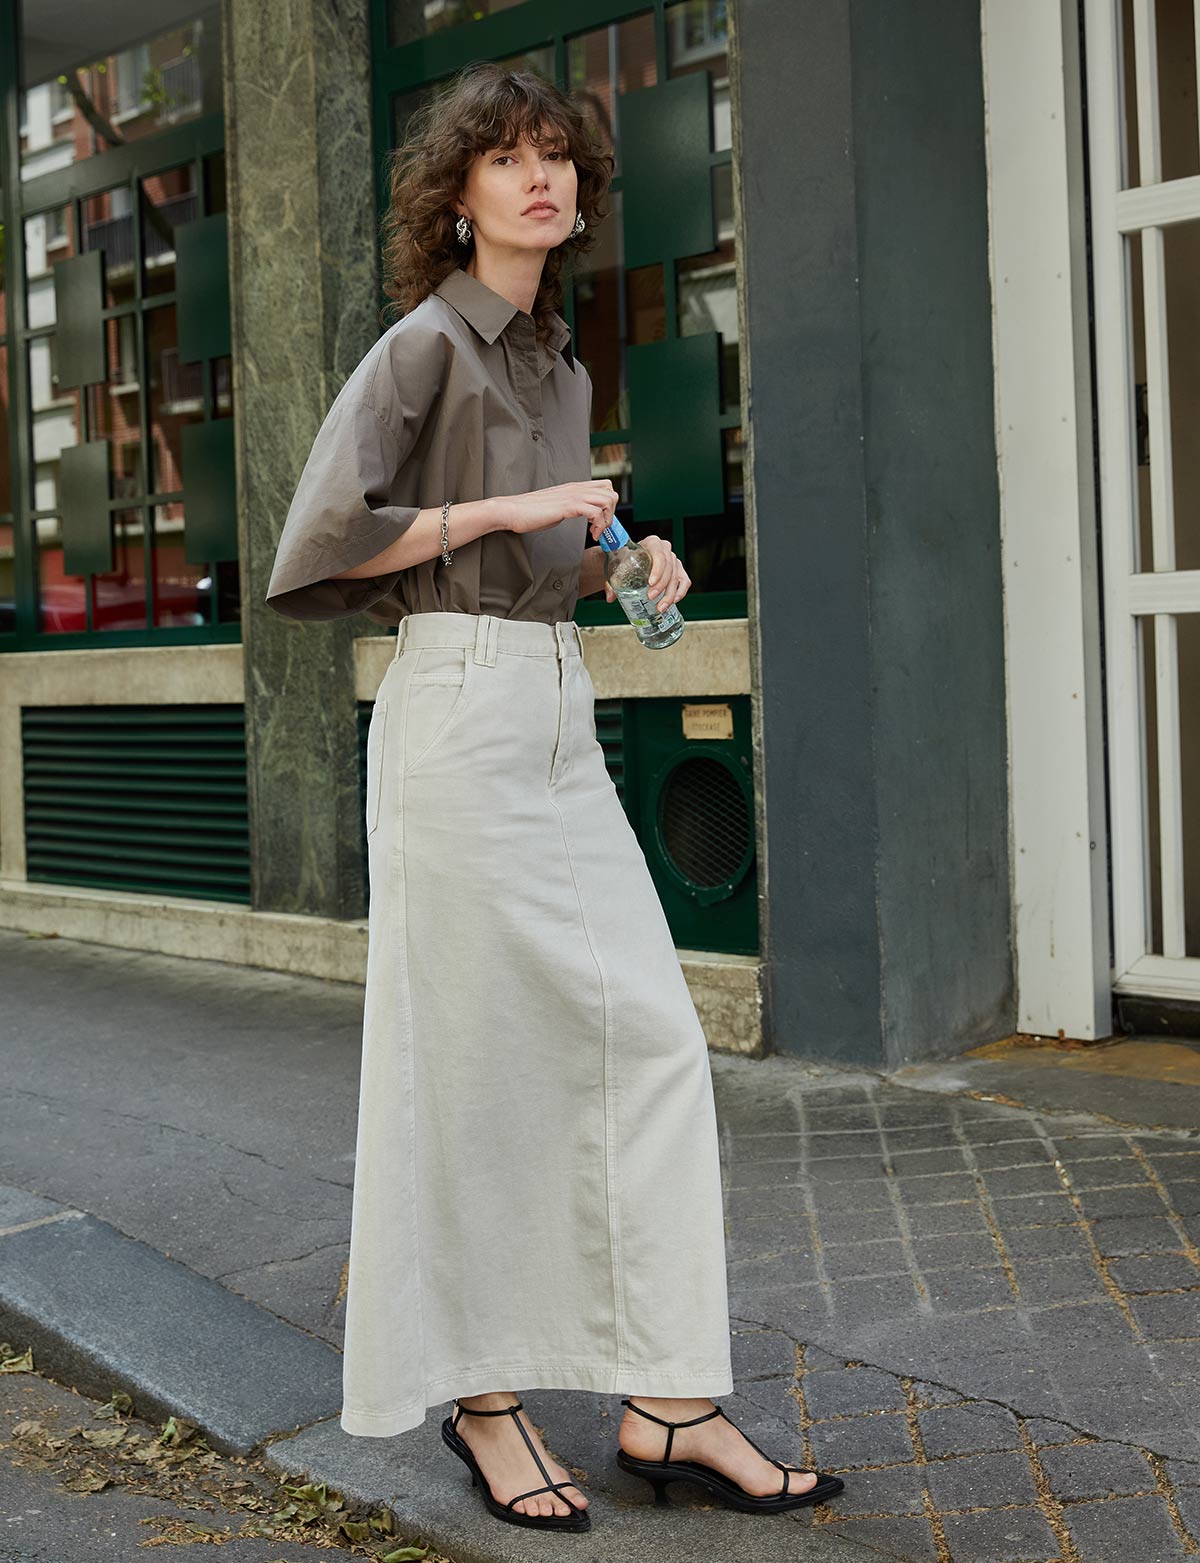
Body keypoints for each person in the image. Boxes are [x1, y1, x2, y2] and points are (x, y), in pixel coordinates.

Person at [265, 59, 843, 1534]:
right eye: (507, 159)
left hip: (553, 710)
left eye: (557, 159)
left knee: (646, 1038)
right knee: (465, 1063)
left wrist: (622, 567)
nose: (540, 178)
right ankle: (484, 1400)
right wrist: (512, 509)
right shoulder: (422, 350)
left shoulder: (558, 365)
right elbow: (321, 543)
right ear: (454, 196)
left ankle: (667, 1399)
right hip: (452, 709)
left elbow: (544, 562)